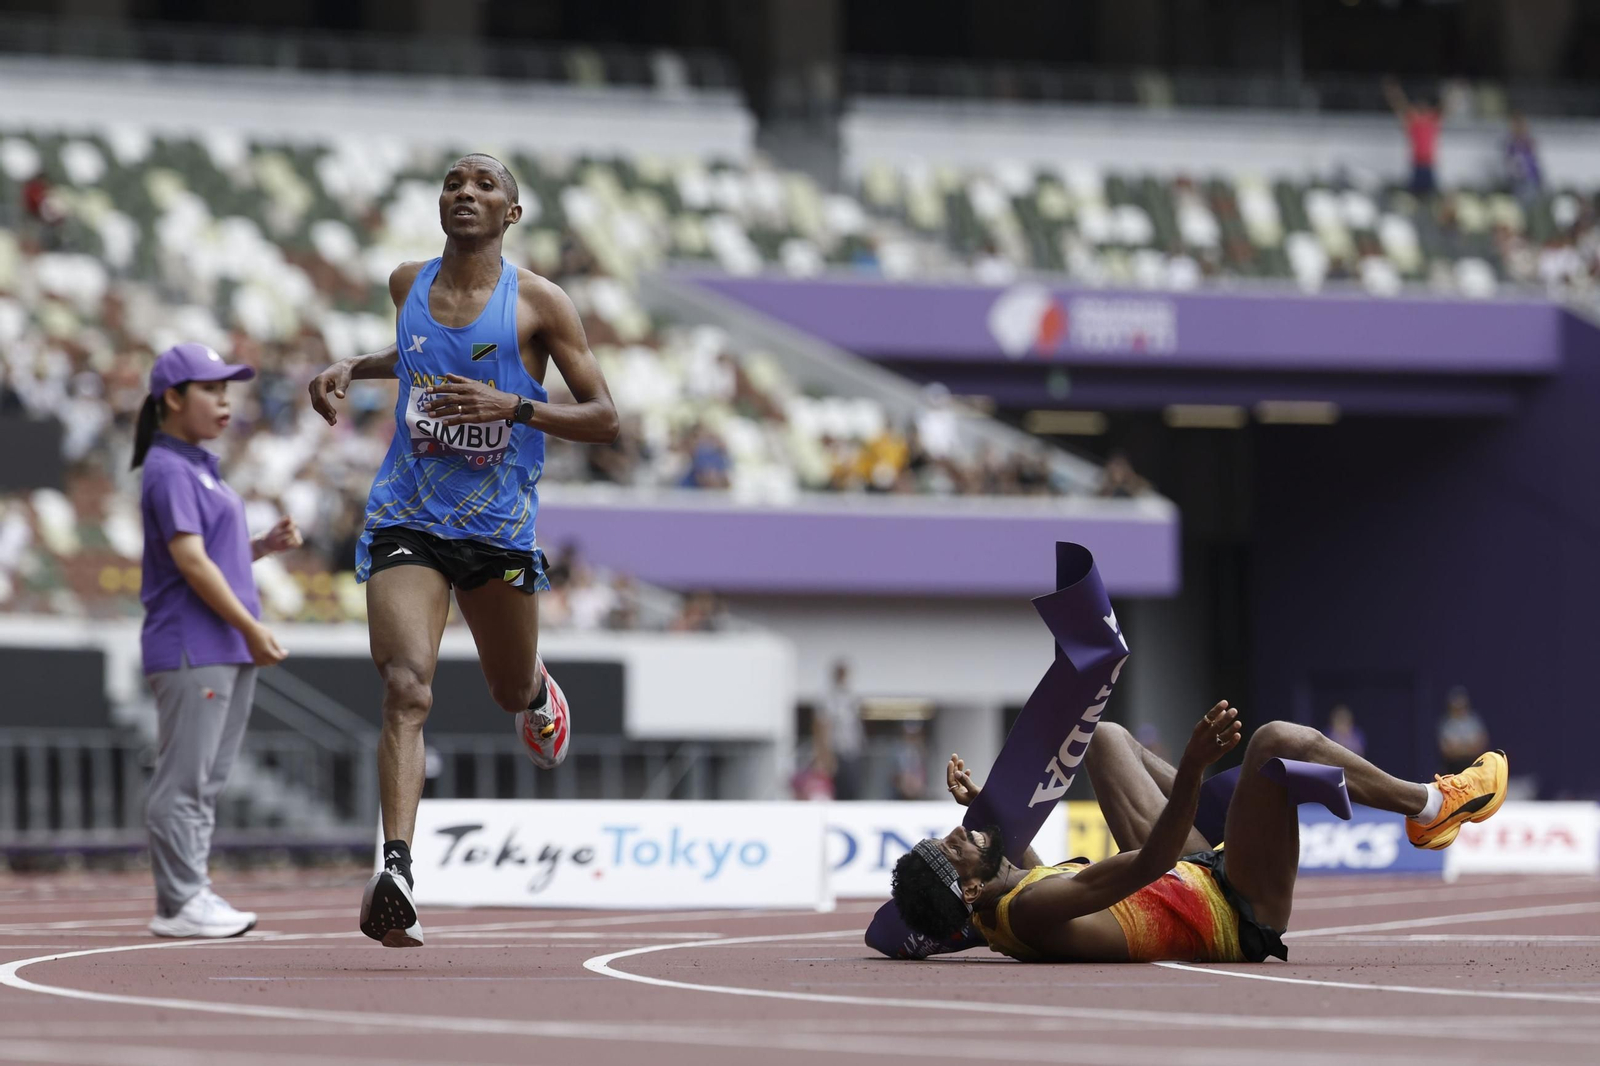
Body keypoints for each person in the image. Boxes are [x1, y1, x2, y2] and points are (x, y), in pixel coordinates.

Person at [306, 154, 618, 947]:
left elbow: (605, 417)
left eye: (484, 186)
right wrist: (352, 367)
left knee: (506, 688)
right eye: (453, 183)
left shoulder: (540, 303)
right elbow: (414, 358)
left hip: (495, 528)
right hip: (406, 516)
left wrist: (511, 406)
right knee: (405, 687)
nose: (465, 194)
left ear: (512, 213)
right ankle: (397, 871)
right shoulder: (406, 283)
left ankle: (536, 688)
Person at [892, 707, 1507, 963]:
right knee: (1275, 742)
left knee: (1104, 740)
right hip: (1233, 909)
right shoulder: (1027, 910)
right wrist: (1189, 766)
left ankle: (1247, 796)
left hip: (1191, 875)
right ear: (967, 891)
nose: (959, 832)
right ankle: (1432, 806)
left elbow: (1029, 870)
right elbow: (1150, 861)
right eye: (955, 849)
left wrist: (986, 805)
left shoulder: (1000, 909)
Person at [135, 342, 302, 938]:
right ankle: (181, 900)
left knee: (205, 780)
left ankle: (191, 892)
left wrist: (261, 547)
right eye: (210, 390)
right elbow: (190, 563)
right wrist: (252, 627)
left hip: (220, 644)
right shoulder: (168, 468)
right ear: (173, 398)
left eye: (227, 390)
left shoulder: (200, 468)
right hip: (193, 643)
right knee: (183, 779)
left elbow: (211, 556)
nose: (225, 402)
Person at [815, 659, 866, 800]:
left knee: (853, 788)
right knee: (839, 790)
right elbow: (823, 725)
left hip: (852, 751)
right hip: (837, 751)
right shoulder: (829, 697)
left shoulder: (850, 695)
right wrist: (825, 755)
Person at [1383, 79, 1442, 198]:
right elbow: (1400, 104)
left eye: (1424, 106)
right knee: (1414, 195)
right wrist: (1393, 91)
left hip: (1429, 164)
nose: (1422, 107)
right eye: (1420, 106)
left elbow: (1445, 106)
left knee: (1431, 195)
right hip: (1417, 164)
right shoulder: (1413, 120)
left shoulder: (1432, 119)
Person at [1437, 686, 1489, 776]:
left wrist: (1460, 750)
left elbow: (1481, 745)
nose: (1459, 710)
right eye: (1456, 707)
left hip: (1473, 766)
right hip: (1453, 768)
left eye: (1461, 707)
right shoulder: (1446, 725)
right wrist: (1466, 749)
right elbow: (1446, 750)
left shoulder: (1473, 721)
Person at [1505, 113, 1543, 204]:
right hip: (1518, 179)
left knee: (1529, 200)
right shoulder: (1512, 144)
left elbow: (1532, 163)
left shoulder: (1527, 142)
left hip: (1529, 178)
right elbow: (1510, 162)